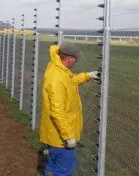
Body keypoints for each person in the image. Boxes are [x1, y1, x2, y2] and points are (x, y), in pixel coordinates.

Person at [39, 41, 100, 176]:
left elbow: (70, 81)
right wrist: (69, 137)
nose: (75, 63)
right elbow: (57, 111)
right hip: (60, 137)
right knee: (64, 170)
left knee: (52, 165)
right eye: (75, 60)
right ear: (70, 59)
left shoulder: (56, 67)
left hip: (54, 134)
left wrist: (87, 75)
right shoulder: (57, 78)